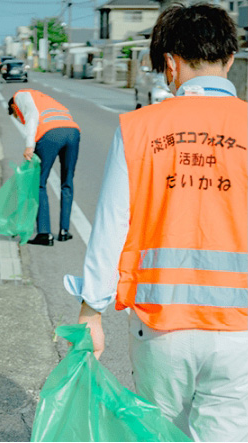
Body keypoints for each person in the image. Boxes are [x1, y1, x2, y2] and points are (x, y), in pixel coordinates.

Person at [64, 3, 248, 441]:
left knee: (160, 433)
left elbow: (111, 227)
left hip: (161, 327)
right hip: (240, 332)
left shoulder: (139, 128)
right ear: (228, 60)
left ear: (169, 63)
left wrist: (92, 314)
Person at [8, 89, 81, 246]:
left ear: (13, 107)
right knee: (67, 181)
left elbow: (31, 116)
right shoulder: (45, 98)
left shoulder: (20, 96)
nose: (18, 119)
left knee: (39, 183)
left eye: (15, 116)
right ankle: (64, 231)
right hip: (73, 132)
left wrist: (29, 146)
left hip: (51, 134)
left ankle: (44, 233)